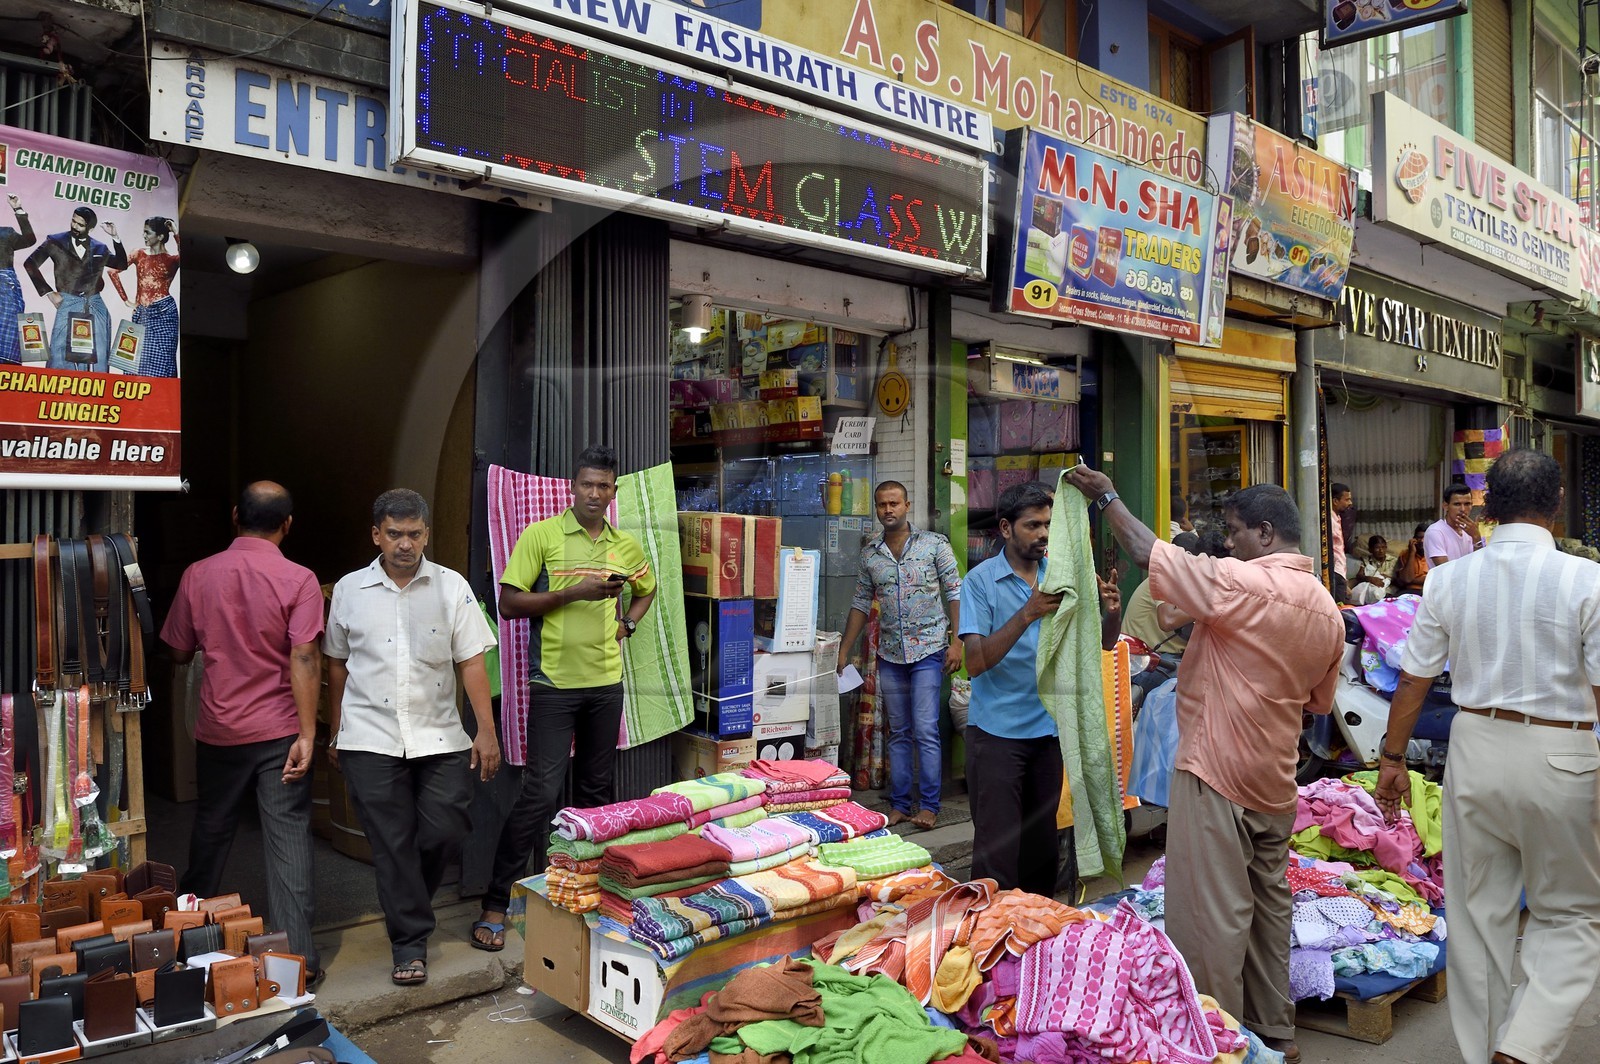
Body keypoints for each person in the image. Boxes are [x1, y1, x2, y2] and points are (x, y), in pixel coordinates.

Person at [1063, 468, 1342, 1064]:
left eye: (1235, 532)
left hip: (1218, 768)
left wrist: (1107, 496)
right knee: (1268, 908)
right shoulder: (1326, 608)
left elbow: (1148, 553)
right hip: (1276, 777)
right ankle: (1276, 1032)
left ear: (1265, 533)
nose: (1228, 543)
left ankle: (1216, 1039)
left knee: (1210, 915)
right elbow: (1319, 702)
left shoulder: (1244, 582)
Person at [1376, 450, 1600, 1064]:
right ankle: (1522, 1047)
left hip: (1473, 748)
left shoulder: (1450, 580)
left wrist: (1392, 760)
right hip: (1562, 753)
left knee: (1478, 918)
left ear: (1488, 507)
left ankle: (1486, 1052)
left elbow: (1414, 678)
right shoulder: (1587, 580)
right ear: (1557, 503)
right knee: (1572, 913)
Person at [475, 445, 657, 951]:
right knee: (540, 792)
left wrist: (628, 623)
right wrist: (572, 593)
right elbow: (509, 604)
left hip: (606, 684)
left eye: (604, 486)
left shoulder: (625, 546)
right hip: (553, 685)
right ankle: (495, 902)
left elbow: (646, 589)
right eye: (587, 484)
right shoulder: (542, 536)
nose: (595, 493)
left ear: (614, 492)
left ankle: (589, 897)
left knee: (597, 795)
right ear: (572, 487)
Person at [324, 489, 501, 987]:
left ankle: (410, 910)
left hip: (439, 735)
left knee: (446, 829)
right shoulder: (350, 590)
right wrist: (336, 731)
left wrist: (485, 732)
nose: (405, 543)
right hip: (369, 736)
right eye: (395, 534)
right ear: (376, 535)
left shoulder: (451, 586)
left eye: (415, 534)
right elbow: (336, 664)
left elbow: (471, 661)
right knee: (392, 843)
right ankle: (409, 943)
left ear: (427, 534)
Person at [159, 482, 323, 984]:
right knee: (288, 839)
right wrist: (308, 734)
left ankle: (184, 947)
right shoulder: (300, 579)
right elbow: (304, 656)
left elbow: (179, 652)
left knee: (211, 831)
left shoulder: (198, 573)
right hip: (280, 732)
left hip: (220, 728)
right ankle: (298, 963)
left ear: (235, 516)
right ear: (288, 524)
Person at [958, 482, 1113, 896]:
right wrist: (1027, 613)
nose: (1043, 534)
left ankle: (1036, 931)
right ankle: (991, 931)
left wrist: (1110, 613)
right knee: (996, 855)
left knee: (1042, 853)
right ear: (1006, 528)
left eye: (1047, 525)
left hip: (1047, 732)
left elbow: (1100, 645)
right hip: (996, 736)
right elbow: (975, 663)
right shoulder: (979, 582)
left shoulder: (1061, 576)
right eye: (1033, 525)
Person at [838, 481, 961, 830]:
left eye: (894, 503)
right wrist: (844, 649)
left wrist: (958, 642)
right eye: (882, 505)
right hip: (891, 653)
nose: (888, 510)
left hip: (929, 650)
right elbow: (861, 603)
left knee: (925, 729)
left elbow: (955, 592)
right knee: (899, 731)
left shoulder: (934, 545)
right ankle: (901, 804)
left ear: (907, 505)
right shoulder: (870, 554)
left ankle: (930, 806)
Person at [23, 206, 127, 372]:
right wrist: (49, 293)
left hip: (95, 303)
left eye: (80, 225)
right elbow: (30, 263)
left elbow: (122, 264)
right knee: (60, 353)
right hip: (68, 301)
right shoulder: (55, 241)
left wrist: (115, 237)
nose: (74, 226)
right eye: (73, 221)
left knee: (99, 353)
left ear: (90, 228)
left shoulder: (100, 248)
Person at [113, 216, 179, 377]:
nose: (144, 236)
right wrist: (126, 301)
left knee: (165, 361)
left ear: (160, 236)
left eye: (148, 233)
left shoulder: (172, 260)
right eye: (144, 232)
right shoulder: (138, 254)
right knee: (131, 361)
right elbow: (113, 271)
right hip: (142, 313)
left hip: (165, 313)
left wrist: (176, 232)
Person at [0, 195, 35, 365]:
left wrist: (18, 209)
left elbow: (29, 239)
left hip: (5, 287)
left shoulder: (5, 233)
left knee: (9, 333)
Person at [1424, 482, 1482, 566]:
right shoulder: (1435, 531)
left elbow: (1479, 565)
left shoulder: (1469, 531)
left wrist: (1476, 538)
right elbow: (1444, 569)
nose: (1463, 509)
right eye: (1457, 504)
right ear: (1445, 506)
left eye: (1467, 504)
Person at [1347, 535, 1391, 606]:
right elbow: (1359, 575)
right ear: (1370, 550)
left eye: (1383, 547)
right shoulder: (1366, 560)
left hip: (1388, 592)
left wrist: (1388, 578)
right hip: (1370, 592)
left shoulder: (1393, 561)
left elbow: (1400, 580)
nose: (1381, 551)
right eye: (1377, 548)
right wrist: (1370, 579)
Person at [1389, 523, 1430, 596]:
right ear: (1414, 539)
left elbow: (1434, 579)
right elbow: (1407, 579)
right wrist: (1412, 553)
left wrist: (1412, 580)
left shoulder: (1435, 555)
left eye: (1425, 537)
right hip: (1408, 591)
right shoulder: (1404, 555)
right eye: (1419, 537)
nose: (1422, 541)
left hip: (1428, 590)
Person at [1329, 482, 1353, 602]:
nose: (1350, 503)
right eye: (1347, 499)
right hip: (1333, 572)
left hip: (1338, 573)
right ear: (1335, 501)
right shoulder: (1329, 521)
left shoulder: (1337, 518)